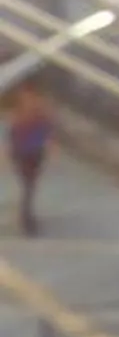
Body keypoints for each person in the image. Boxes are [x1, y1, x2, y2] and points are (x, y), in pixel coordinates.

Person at [8, 86, 51, 236]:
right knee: (28, 186)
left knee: (30, 186)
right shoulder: (18, 116)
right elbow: (12, 136)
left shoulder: (41, 115)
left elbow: (47, 133)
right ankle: (26, 218)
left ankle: (26, 216)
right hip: (22, 154)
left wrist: (50, 146)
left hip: (35, 154)